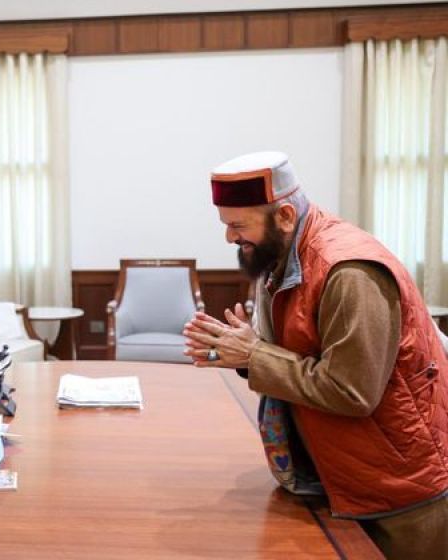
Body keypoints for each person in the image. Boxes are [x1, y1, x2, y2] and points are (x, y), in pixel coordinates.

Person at [182, 151, 448, 560]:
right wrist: (243, 353)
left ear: (285, 215)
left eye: (238, 225)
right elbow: (299, 353)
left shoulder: (348, 272)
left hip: (400, 492)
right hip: (345, 473)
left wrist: (255, 355)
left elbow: (352, 392)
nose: (230, 239)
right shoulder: (284, 256)